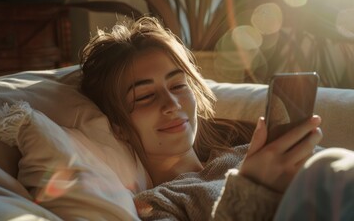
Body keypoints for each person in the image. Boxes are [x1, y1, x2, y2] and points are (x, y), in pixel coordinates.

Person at [79, 16, 354, 220]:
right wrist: (251, 186)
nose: (172, 104)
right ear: (119, 127)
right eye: (145, 97)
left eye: (177, 86)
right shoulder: (158, 204)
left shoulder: (249, 152)